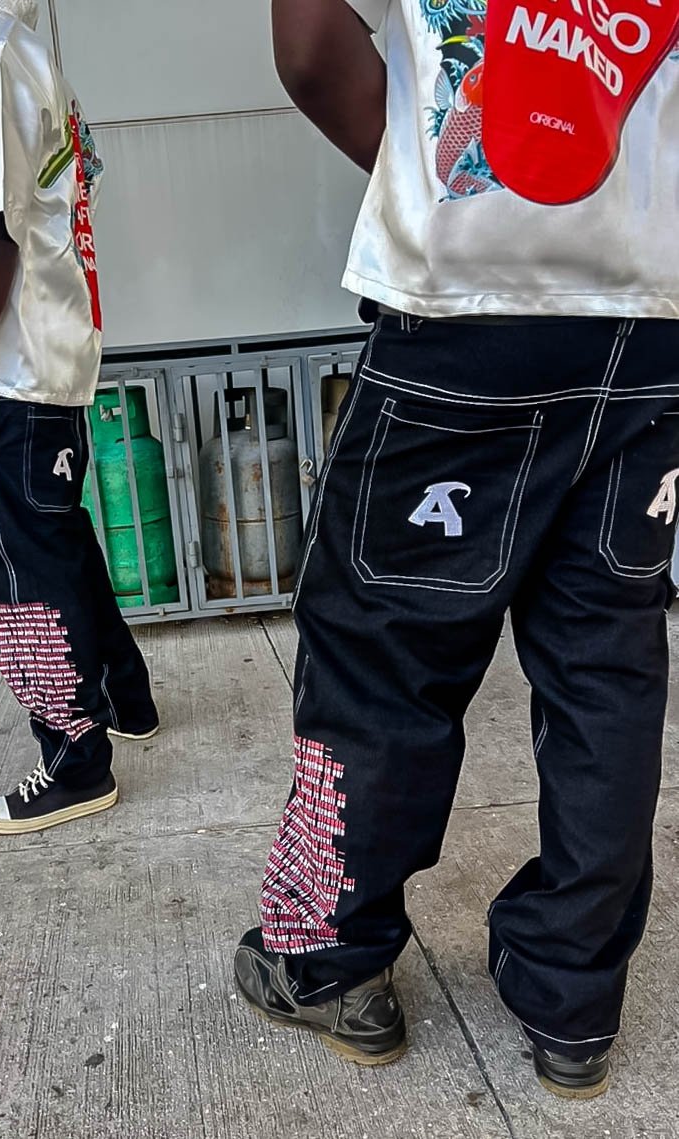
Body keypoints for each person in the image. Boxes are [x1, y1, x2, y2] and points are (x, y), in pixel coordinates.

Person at [234, 0, 679, 1099]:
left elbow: (310, 49)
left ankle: (331, 962)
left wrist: (428, 184)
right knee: (605, 664)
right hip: (652, 315)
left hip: (467, 303)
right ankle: (571, 998)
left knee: (380, 655)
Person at [0, 0, 159, 836]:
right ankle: (126, 697)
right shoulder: (16, 46)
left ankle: (75, 764)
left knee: (19, 576)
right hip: (49, 353)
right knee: (58, 540)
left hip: (8, 366)